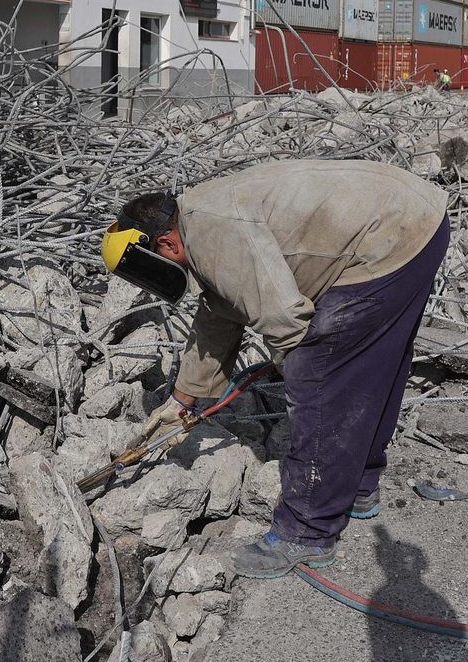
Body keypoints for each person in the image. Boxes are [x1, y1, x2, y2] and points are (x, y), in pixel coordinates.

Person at [100, 160, 450, 579]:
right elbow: (219, 312)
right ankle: (356, 485)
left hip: (390, 236)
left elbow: (285, 321)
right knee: (373, 363)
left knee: (319, 368)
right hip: (416, 220)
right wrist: (183, 399)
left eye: (145, 269)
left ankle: (307, 529)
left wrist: (309, 383)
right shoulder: (197, 220)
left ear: (166, 245)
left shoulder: (212, 233)